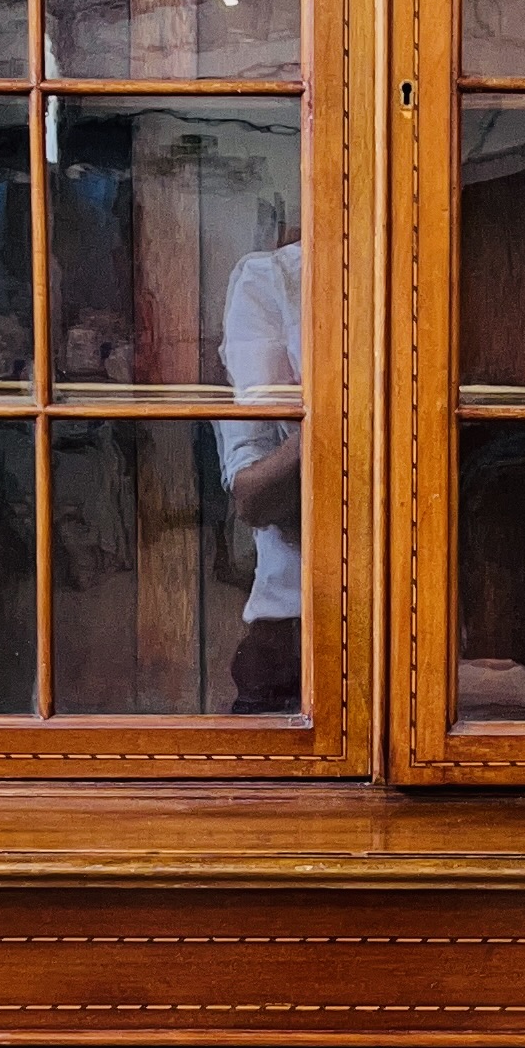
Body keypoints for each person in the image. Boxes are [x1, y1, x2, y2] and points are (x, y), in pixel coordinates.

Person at [215, 230, 303, 712]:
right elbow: (254, 499)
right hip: (294, 631)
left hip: (430, 633)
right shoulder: (274, 282)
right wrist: (341, 406)